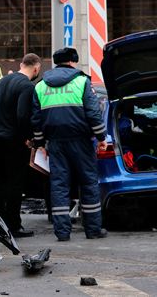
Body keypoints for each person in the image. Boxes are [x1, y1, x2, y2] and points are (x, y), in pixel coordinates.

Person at [31, 47, 108, 241]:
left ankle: (62, 232)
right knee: (88, 183)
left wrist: (40, 143)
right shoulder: (82, 82)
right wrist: (101, 138)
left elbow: (36, 120)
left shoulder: (40, 86)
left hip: (55, 143)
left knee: (58, 186)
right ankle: (93, 229)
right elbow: (93, 113)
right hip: (81, 141)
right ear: (73, 61)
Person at [0, 53, 41, 237]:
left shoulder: (3, 81)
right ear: (36, 68)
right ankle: (14, 226)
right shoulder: (27, 86)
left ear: (21, 64)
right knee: (15, 184)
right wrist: (28, 137)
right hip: (13, 141)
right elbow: (22, 115)